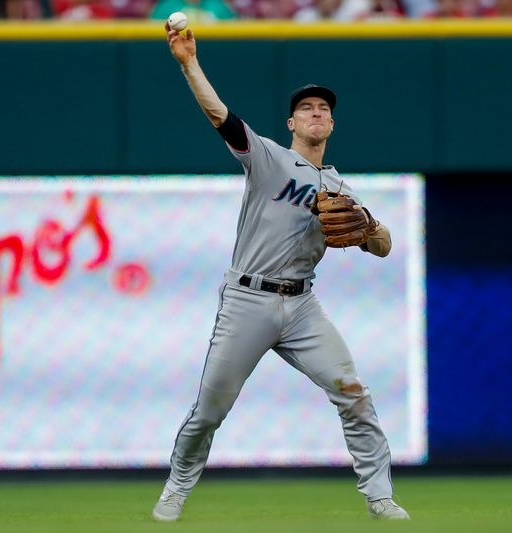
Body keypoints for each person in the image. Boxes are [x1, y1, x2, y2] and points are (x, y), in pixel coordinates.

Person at [152, 21, 410, 523]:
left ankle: (380, 496)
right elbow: (220, 117)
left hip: (301, 306)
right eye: (307, 108)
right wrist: (189, 64)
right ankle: (176, 489)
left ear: (332, 126)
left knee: (353, 393)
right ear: (292, 123)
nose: (317, 113)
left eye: (324, 109)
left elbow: (383, 246)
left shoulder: (339, 188)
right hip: (248, 299)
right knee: (210, 410)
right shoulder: (270, 159)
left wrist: (368, 225)